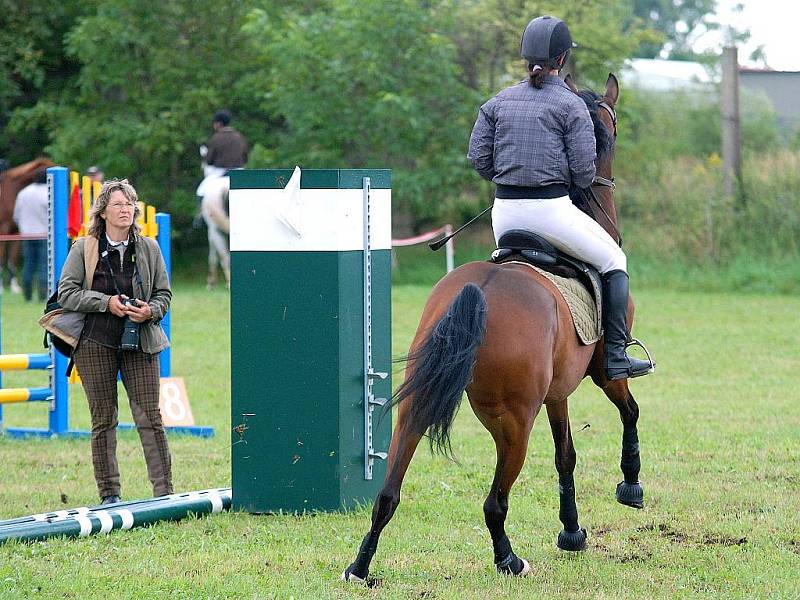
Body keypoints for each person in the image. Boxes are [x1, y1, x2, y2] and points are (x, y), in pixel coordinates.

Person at [467, 15, 653, 381]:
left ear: (525, 58)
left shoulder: (496, 102)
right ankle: (615, 354)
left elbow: (479, 160)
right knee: (616, 259)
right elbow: (585, 174)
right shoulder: (571, 107)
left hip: (504, 215)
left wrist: (513, 177)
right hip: (551, 212)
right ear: (562, 60)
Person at [57, 179, 173, 504]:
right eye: (119, 204)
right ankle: (109, 495)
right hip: (94, 341)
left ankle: (164, 493)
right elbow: (66, 293)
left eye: (130, 204)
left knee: (150, 416)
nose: (126, 210)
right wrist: (105, 303)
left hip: (140, 340)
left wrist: (150, 310)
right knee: (103, 419)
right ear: (104, 211)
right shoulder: (84, 247)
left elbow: (164, 294)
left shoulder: (149, 247)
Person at [12, 167, 48, 301]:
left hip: (26, 234)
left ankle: (27, 296)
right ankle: (42, 297)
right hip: (44, 234)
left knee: (28, 265)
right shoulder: (48, 192)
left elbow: (16, 215)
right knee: (44, 266)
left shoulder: (23, 193)